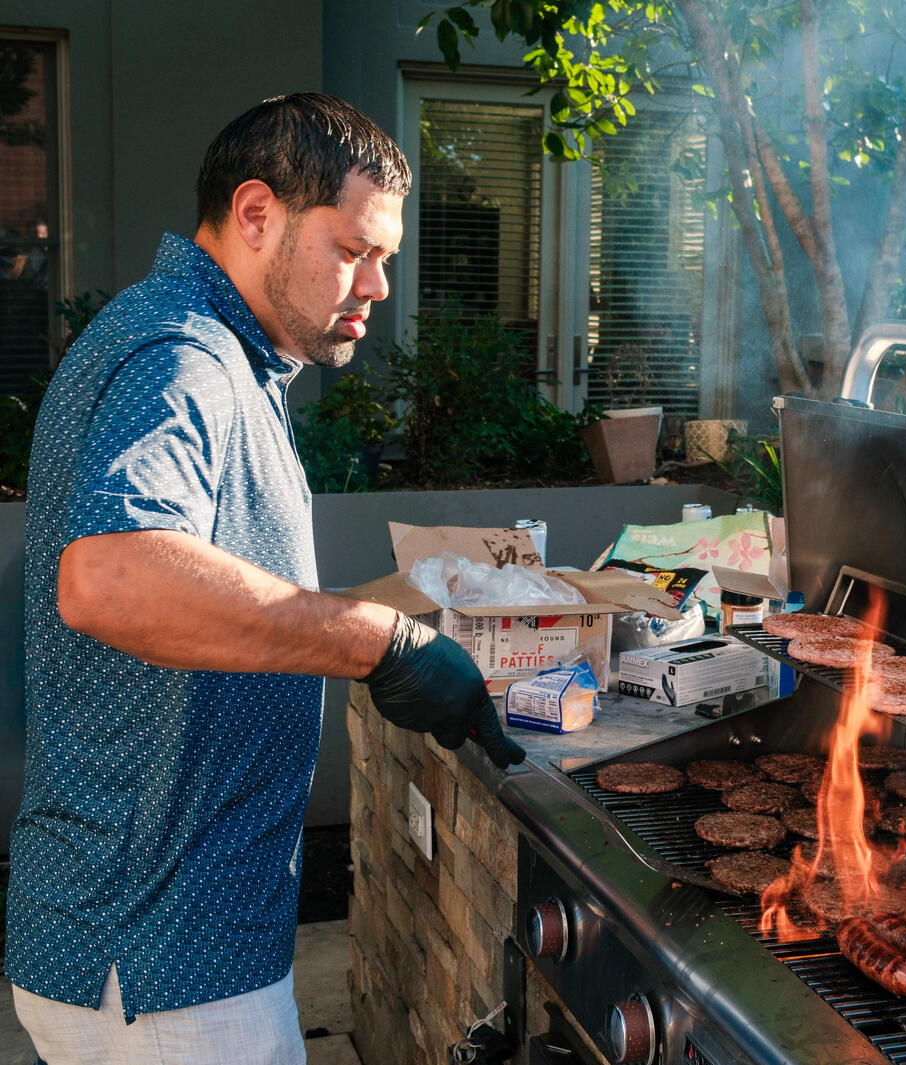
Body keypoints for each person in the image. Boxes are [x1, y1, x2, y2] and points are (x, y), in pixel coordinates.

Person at [7, 92, 524, 1065]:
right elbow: (109, 580)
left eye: (387, 259)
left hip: (150, 938)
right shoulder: (179, 356)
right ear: (255, 215)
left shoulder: (220, 355)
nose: (376, 285)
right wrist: (384, 643)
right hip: (158, 963)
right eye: (353, 249)